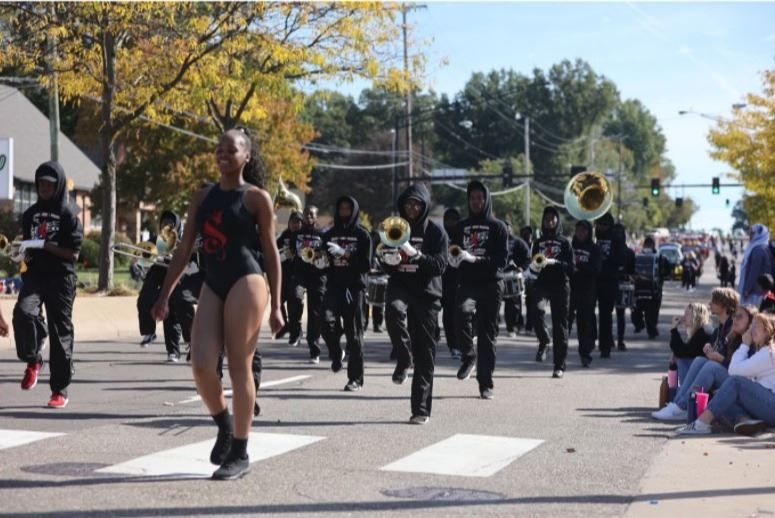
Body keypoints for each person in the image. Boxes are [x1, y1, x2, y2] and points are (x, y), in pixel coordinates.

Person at [152, 128, 283, 480]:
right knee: (200, 364)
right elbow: (183, 248)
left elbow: (271, 254)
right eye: (219, 148)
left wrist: (277, 305)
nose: (224, 153)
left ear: (246, 156)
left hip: (248, 281)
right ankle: (224, 424)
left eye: (232, 149)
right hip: (215, 282)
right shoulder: (202, 197)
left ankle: (240, 451)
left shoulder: (257, 199)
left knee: (240, 364)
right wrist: (164, 294)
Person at [14, 161, 83, 408]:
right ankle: (33, 360)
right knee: (23, 313)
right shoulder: (30, 214)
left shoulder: (69, 213)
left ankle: (59, 390)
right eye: (41, 183)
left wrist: (45, 245)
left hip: (61, 278)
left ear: (59, 185)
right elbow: (27, 247)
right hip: (35, 275)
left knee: (60, 331)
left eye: (49, 184)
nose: (44, 187)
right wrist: (20, 254)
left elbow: (73, 254)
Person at [379, 184, 447, 424]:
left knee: (426, 352)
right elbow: (386, 266)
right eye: (408, 203)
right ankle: (403, 357)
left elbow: (440, 265)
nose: (412, 207)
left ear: (424, 205)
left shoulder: (435, 232)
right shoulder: (394, 228)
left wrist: (417, 254)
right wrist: (389, 259)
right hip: (401, 285)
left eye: (417, 204)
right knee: (394, 310)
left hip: (427, 293)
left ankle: (420, 409)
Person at [451, 181, 508, 399]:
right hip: (467, 283)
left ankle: (486, 384)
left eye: (479, 198)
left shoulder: (498, 227)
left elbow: (501, 260)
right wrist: (454, 259)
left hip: (491, 284)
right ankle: (468, 356)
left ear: (486, 200)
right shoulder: (461, 226)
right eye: (472, 198)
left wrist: (474, 258)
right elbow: (454, 251)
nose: (476, 202)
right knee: (461, 312)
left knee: (487, 335)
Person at [652, 288, 742, 421]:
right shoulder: (719, 328)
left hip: (729, 374)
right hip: (714, 371)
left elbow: (734, 361)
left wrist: (717, 357)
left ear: (724, 304)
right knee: (699, 360)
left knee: (692, 361)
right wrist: (708, 350)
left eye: (714, 301)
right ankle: (678, 405)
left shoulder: (730, 329)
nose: (710, 304)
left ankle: (680, 406)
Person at [679, 312, 775, 436]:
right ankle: (745, 421)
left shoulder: (769, 353)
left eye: (756, 326)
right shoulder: (764, 352)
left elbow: (733, 370)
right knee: (721, 393)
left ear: (767, 331)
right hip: (767, 405)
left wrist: (745, 345)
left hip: (771, 406)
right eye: (752, 326)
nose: (751, 330)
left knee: (734, 382)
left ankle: (701, 423)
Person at [319, 196, 372, 391]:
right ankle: (335, 352)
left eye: (348, 209)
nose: (344, 212)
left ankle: (355, 379)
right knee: (324, 320)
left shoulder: (362, 235)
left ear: (354, 211)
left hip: (354, 288)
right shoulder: (328, 234)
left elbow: (366, 265)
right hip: (334, 286)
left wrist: (345, 253)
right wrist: (320, 262)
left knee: (354, 335)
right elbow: (323, 262)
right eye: (341, 208)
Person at [136, 210, 188, 361]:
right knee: (144, 299)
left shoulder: (184, 240)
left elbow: (188, 259)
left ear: (177, 225)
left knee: (171, 311)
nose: (167, 226)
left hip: (174, 274)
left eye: (170, 224)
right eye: (164, 223)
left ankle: (173, 351)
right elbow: (143, 256)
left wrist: (175, 257)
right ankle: (149, 332)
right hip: (157, 271)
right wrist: (141, 260)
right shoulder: (157, 239)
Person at [529, 206, 574, 378]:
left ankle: (559, 365)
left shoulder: (565, 242)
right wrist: (533, 268)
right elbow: (533, 264)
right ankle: (544, 340)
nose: (549, 221)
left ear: (557, 221)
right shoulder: (538, 242)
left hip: (561, 285)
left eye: (552, 218)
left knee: (560, 326)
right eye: (546, 218)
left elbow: (572, 268)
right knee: (536, 311)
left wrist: (555, 262)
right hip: (542, 284)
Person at [288, 205, 327, 363]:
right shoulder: (295, 235)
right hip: (300, 274)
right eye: (306, 214)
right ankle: (296, 330)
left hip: (317, 277)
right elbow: (289, 253)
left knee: (315, 314)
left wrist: (321, 260)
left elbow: (327, 258)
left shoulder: (323, 235)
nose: (308, 217)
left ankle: (314, 350)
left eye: (312, 215)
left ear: (316, 217)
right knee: (295, 297)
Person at [569, 220, 601, 368]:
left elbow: (596, 270)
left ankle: (585, 354)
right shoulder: (570, 247)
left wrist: (579, 265)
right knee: (565, 321)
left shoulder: (594, 249)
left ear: (589, 232)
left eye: (583, 231)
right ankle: (560, 352)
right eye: (578, 230)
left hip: (587, 290)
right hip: (570, 289)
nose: (580, 233)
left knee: (585, 323)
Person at [595, 212, 625, 358]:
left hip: (609, 280)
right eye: (599, 223)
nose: (601, 227)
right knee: (589, 314)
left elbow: (620, 258)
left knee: (605, 315)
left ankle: (605, 346)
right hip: (593, 279)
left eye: (604, 224)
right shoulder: (592, 236)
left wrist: (606, 258)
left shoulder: (615, 239)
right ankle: (592, 340)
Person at [275, 211, 303, 340]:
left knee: (295, 301)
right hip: (283, 274)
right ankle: (285, 325)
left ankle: (295, 329)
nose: (295, 225)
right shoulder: (284, 236)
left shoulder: (305, 235)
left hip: (298, 275)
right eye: (293, 222)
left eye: (298, 222)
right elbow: (275, 251)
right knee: (277, 301)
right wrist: (282, 255)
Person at [669, 302, 713, 385]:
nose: (683, 317)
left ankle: (680, 394)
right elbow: (682, 350)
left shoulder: (703, 332)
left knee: (681, 361)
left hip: (703, 371)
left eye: (687, 314)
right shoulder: (699, 330)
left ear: (696, 316)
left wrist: (674, 330)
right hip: (699, 368)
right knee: (674, 362)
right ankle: (673, 391)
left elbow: (682, 352)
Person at [631, 236, 665, 340]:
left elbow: (665, 271)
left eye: (649, 244)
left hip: (654, 290)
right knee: (637, 310)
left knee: (652, 313)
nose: (648, 246)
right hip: (640, 288)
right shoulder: (638, 256)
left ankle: (652, 330)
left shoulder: (659, 257)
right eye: (647, 244)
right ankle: (640, 325)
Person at [441, 208, 461, 358]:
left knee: (452, 315)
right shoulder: (440, 235)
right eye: (448, 220)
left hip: (456, 280)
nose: (451, 223)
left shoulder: (462, 236)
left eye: (454, 220)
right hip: (439, 279)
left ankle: (454, 344)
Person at [503, 221, 530, 336]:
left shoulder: (518, 242)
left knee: (513, 303)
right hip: (498, 276)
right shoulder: (496, 240)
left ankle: (512, 327)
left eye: (508, 227)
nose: (506, 230)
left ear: (511, 229)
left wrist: (522, 268)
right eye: (504, 227)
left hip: (513, 277)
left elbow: (528, 257)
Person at [613, 223, 634, 351]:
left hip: (621, 285)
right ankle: (609, 339)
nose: (617, 236)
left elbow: (632, 271)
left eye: (619, 233)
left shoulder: (629, 253)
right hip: (607, 283)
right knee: (608, 314)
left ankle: (620, 340)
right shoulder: (607, 250)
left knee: (620, 314)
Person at [739, 224, 772, 306]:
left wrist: (747, 290)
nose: (750, 235)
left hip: (754, 291)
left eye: (753, 233)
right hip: (758, 290)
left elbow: (754, 272)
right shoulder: (762, 247)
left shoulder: (758, 250)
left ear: (760, 234)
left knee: (748, 314)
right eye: (750, 233)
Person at [520, 225, 535, 335]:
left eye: (529, 233)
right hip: (522, 277)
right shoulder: (520, 245)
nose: (527, 235)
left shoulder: (535, 245)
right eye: (525, 233)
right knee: (522, 303)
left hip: (533, 278)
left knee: (532, 303)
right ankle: (521, 324)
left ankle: (530, 325)